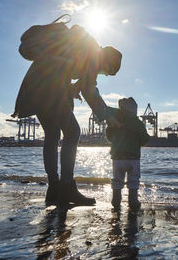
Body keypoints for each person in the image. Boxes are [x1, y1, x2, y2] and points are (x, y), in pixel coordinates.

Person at [12, 24, 122, 210]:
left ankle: (54, 188)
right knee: (73, 132)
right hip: (50, 89)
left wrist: (71, 88)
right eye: (106, 72)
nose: (101, 74)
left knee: (52, 134)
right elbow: (89, 90)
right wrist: (107, 116)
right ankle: (66, 188)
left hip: (36, 87)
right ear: (108, 61)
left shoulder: (85, 45)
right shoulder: (93, 54)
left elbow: (61, 66)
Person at [105, 97, 150, 211]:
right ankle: (133, 201)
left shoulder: (115, 121)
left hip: (117, 157)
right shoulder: (138, 123)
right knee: (133, 180)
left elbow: (109, 137)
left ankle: (116, 200)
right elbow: (144, 139)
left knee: (117, 179)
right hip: (133, 158)